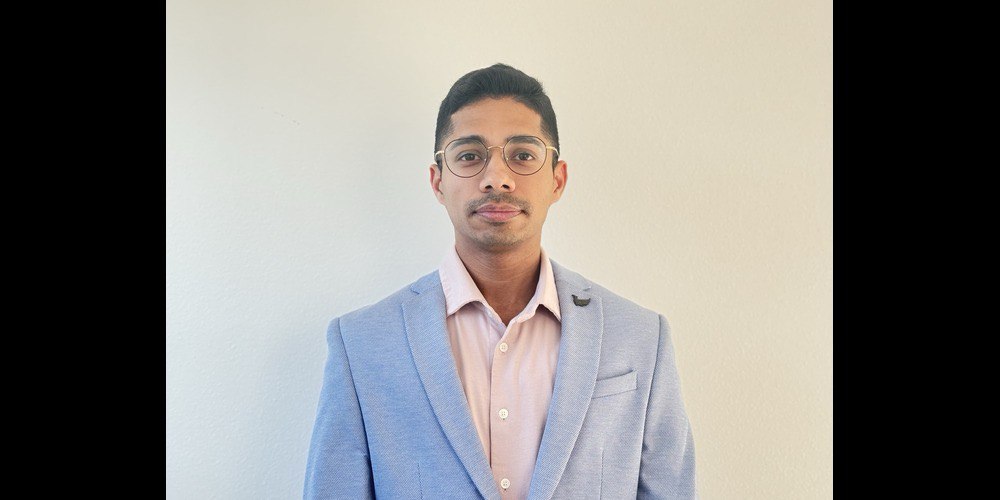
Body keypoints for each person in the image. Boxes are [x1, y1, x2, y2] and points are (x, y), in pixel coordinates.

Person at [304, 63, 697, 500]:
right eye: (470, 156)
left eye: (523, 155)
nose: (497, 178)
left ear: (557, 179)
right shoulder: (362, 345)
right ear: (438, 181)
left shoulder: (640, 338)